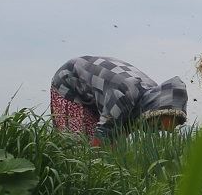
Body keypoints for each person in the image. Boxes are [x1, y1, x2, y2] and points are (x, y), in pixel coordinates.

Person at [49, 56, 188, 145]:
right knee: (79, 144)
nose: (154, 132)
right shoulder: (124, 95)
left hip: (102, 89)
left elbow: (123, 128)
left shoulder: (152, 97)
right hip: (70, 81)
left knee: (113, 138)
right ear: (156, 113)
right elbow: (103, 135)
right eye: (157, 126)